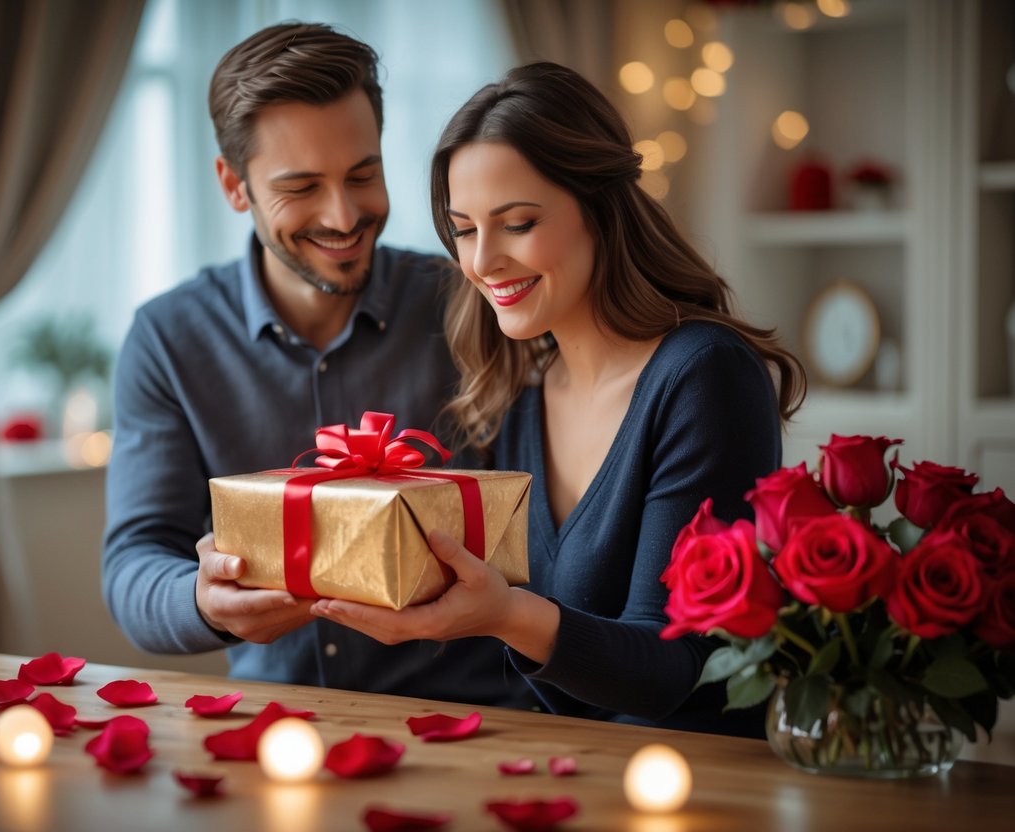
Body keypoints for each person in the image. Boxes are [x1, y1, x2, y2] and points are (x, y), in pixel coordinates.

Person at [310, 61, 806, 737]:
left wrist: (504, 614)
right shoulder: (520, 394)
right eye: (462, 228)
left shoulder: (703, 376)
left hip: (703, 784)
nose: (481, 261)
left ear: (599, 211)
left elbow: (679, 668)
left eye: (515, 223)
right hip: (577, 771)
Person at [102, 23, 538, 709]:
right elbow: (133, 562)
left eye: (362, 174)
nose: (343, 215)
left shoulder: (470, 302)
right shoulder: (167, 338)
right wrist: (203, 600)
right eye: (301, 187)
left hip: (475, 719)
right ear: (233, 184)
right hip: (273, 730)